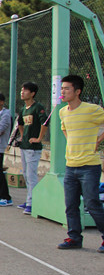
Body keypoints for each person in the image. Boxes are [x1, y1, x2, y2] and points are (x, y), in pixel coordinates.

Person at [54, 75, 104, 251]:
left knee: (92, 204)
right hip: (70, 166)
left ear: (77, 91)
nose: (63, 91)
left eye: (67, 88)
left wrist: (98, 140)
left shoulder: (92, 109)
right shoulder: (63, 112)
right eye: (62, 88)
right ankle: (74, 238)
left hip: (90, 166)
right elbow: (65, 129)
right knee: (71, 205)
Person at [16, 82, 48, 214]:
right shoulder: (23, 109)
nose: (22, 92)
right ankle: (30, 198)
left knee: (31, 174)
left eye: (25, 90)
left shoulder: (37, 107)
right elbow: (20, 123)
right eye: (21, 90)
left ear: (32, 93)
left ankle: (32, 202)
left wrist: (39, 138)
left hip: (33, 148)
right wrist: (23, 136)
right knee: (26, 174)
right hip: (25, 146)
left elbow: (45, 122)